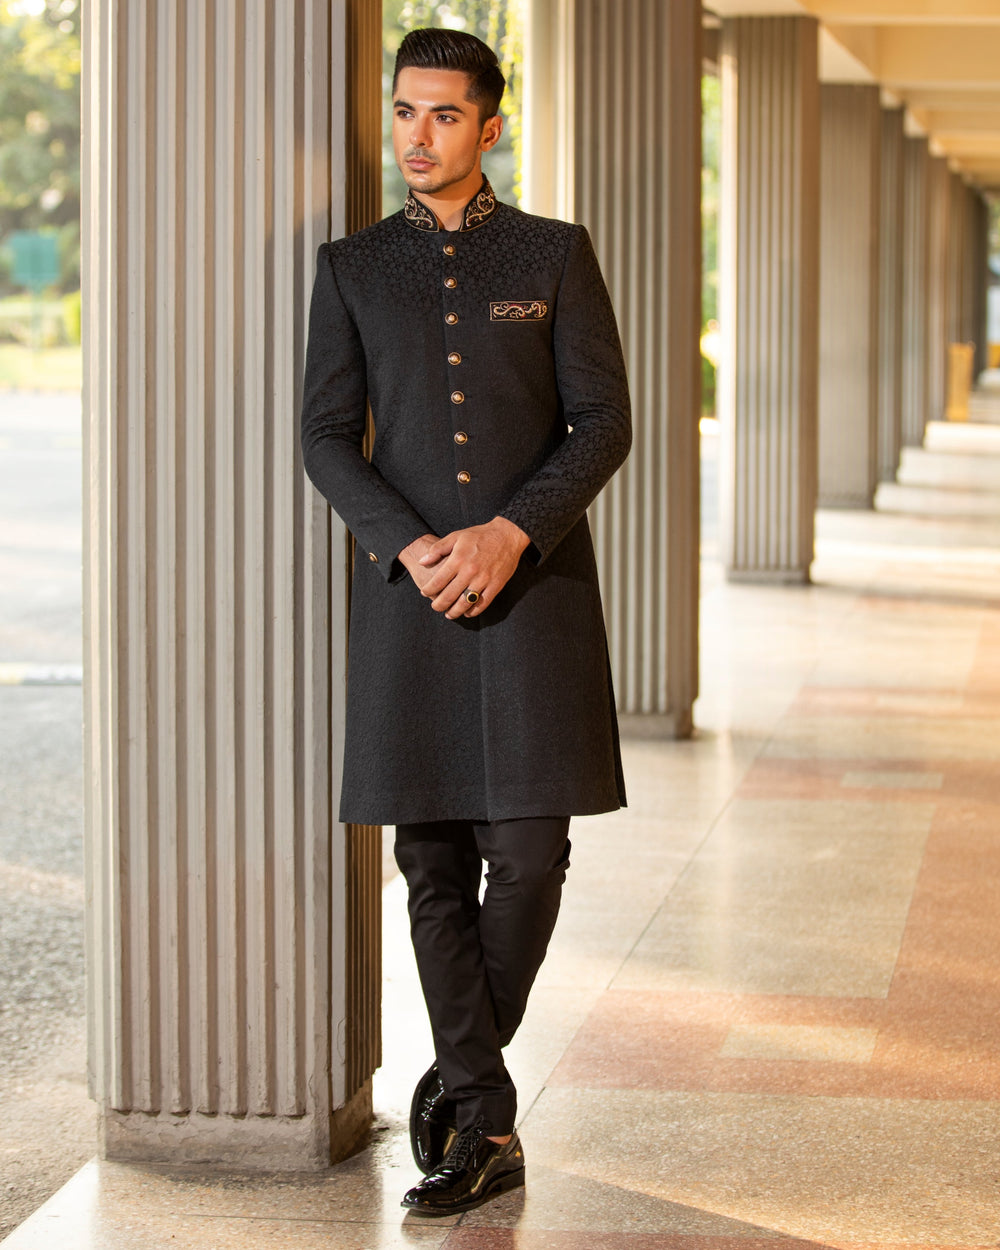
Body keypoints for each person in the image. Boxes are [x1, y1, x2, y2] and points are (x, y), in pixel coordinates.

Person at [300, 27, 631, 1218]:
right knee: (428, 857)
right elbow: (326, 435)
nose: (415, 138)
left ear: (490, 126)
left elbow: (601, 419)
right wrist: (409, 543)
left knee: (530, 851)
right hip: (411, 598)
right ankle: (484, 1124)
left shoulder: (552, 252)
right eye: (403, 113)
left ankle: (456, 1075)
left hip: (534, 591)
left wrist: (509, 533)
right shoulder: (351, 266)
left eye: (443, 116)